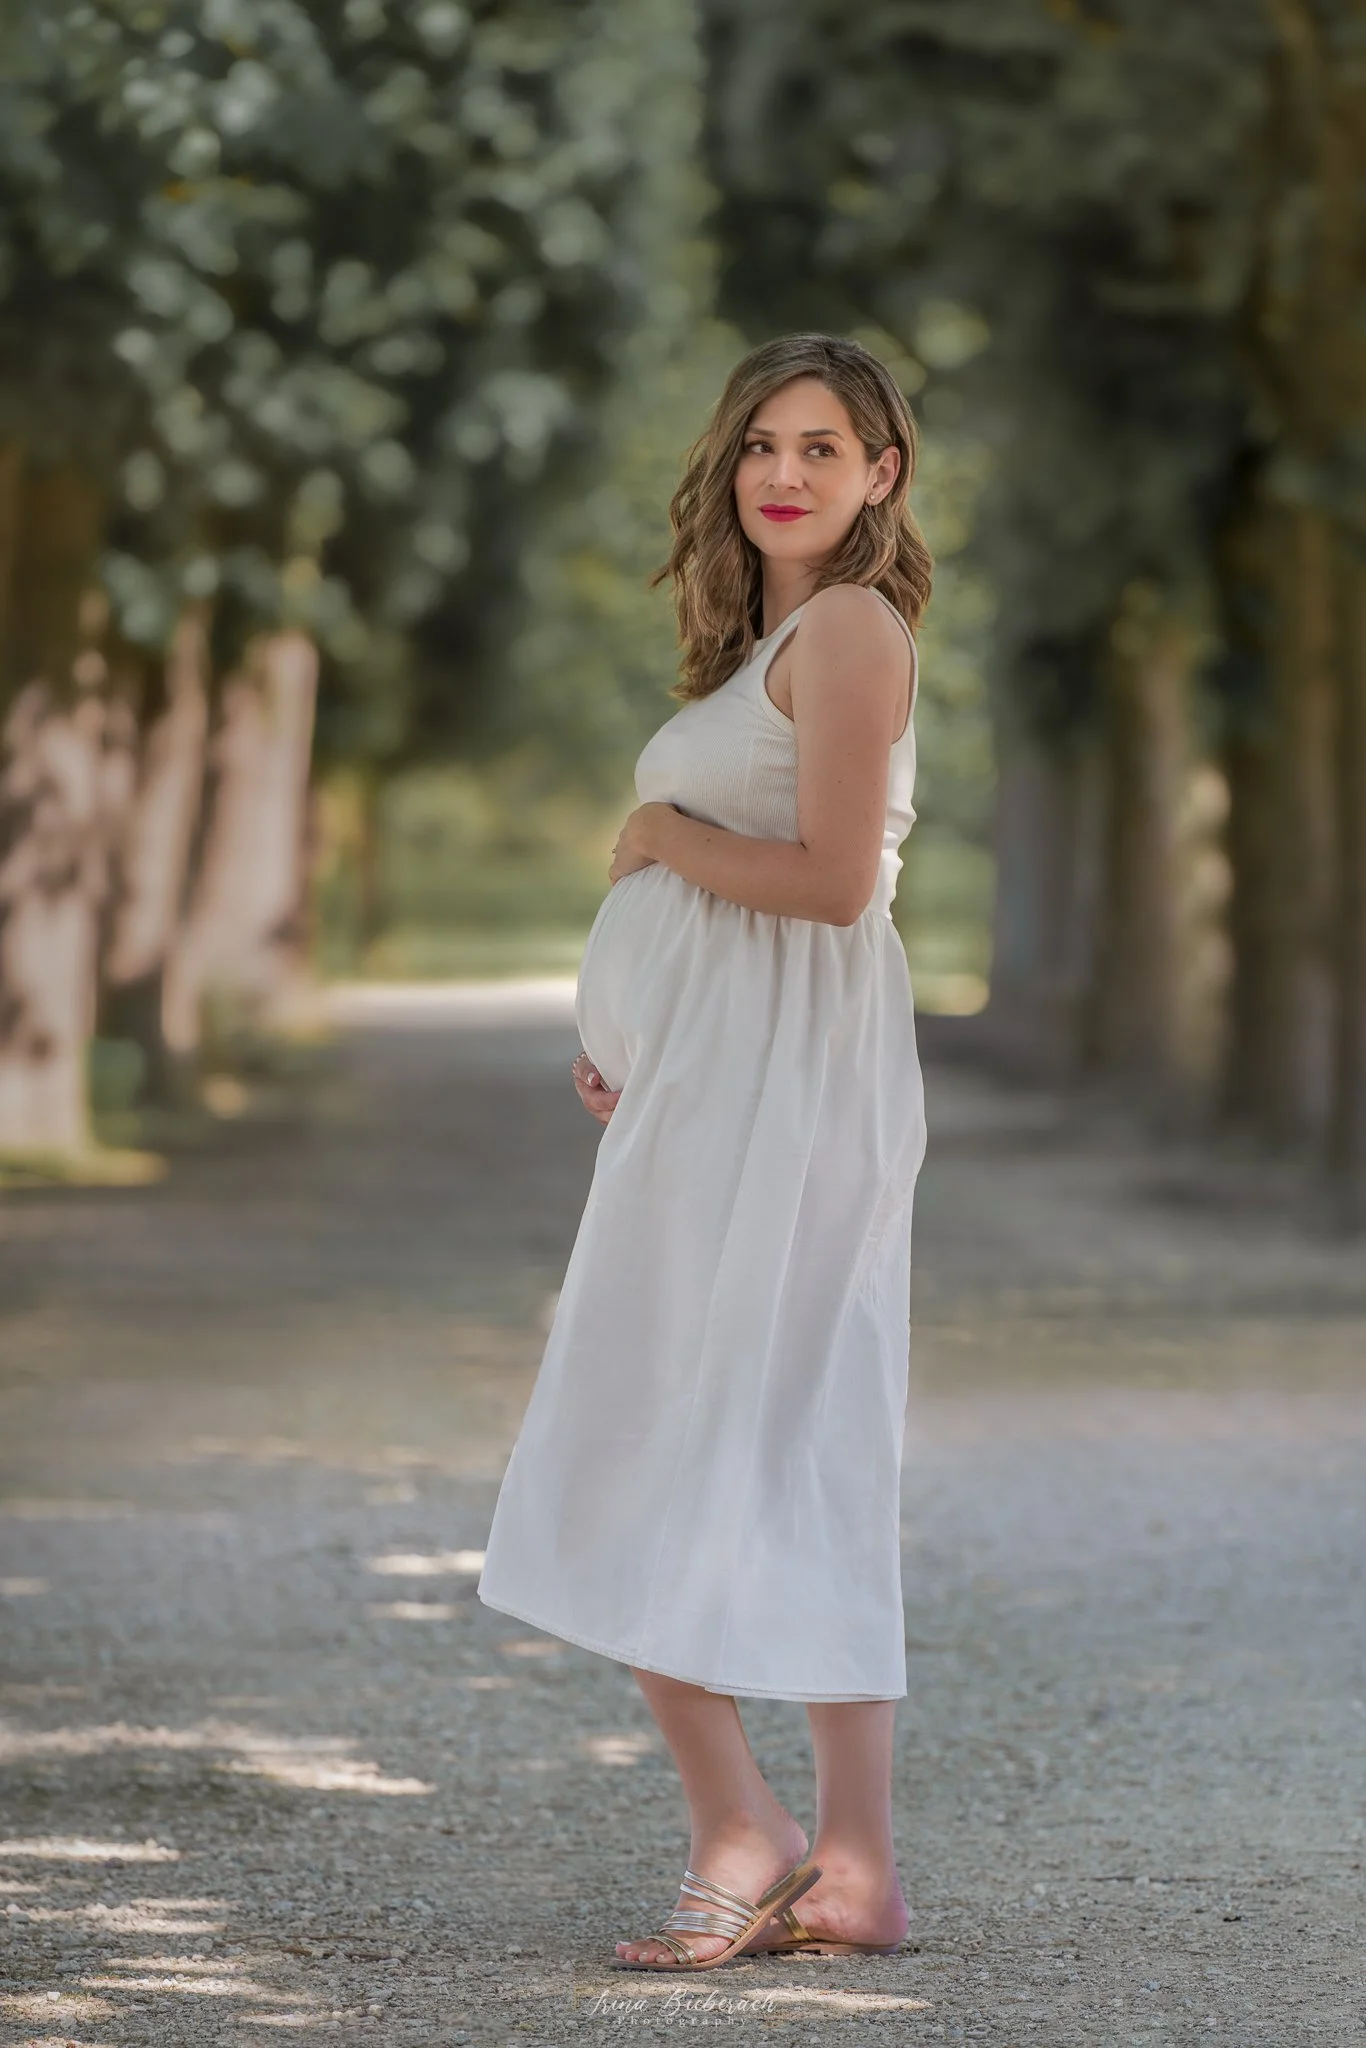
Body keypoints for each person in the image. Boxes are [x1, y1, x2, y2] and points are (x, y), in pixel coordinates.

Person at [477, 332, 932, 1973]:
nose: (785, 472)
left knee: (688, 1426)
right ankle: (843, 1863)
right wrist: (644, 1043)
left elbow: (829, 886)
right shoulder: (772, 643)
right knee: (730, 1424)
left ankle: (760, 1830)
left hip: (789, 1104)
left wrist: (661, 841)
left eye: (823, 446)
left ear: (880, 476)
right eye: (761, 443)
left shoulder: (854, 628)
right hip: (725, 1092)